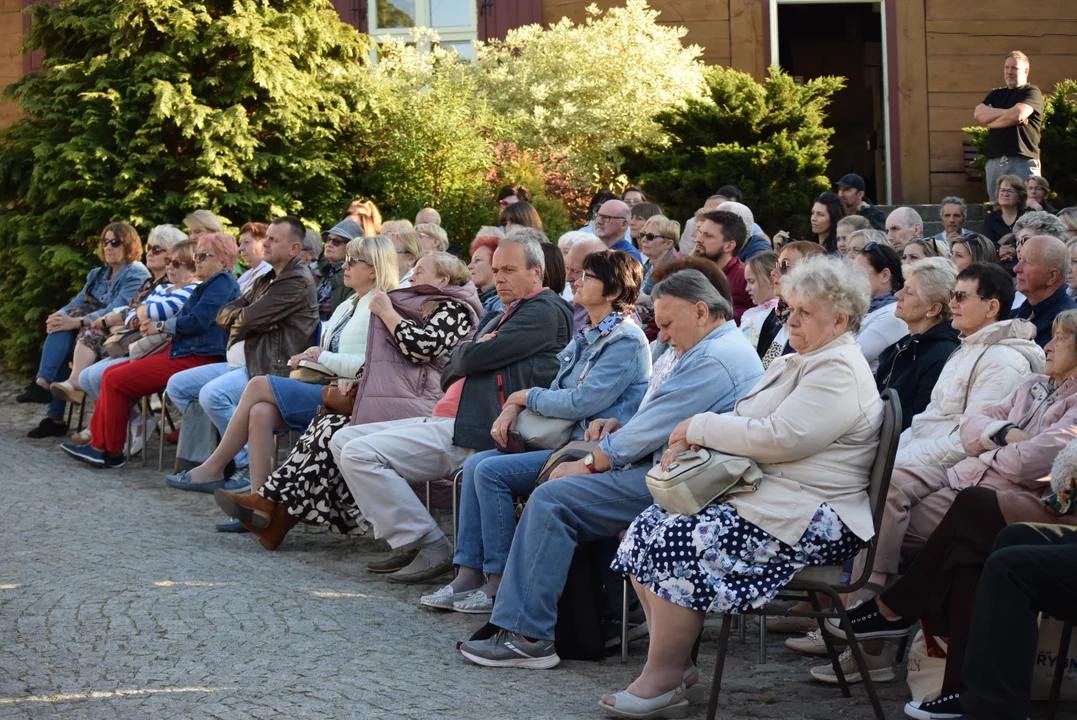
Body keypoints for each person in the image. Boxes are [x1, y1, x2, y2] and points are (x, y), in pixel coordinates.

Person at [597, 256, 881, 715]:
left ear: (840, 320)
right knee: (645, 527)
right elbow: (752, 420)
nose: (791, 319)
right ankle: (672, 667)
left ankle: (665, 676)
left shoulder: (838, 369)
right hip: (776, 497)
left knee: (677, 539)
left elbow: (781, 437)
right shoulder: (805, 359)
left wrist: (697, 427)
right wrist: (696, 435)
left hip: (816, 514)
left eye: (805, 312)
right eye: (790, 308)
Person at [458, 269, 765, 670]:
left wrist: (589, 462)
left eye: (669, 324)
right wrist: (616, 428)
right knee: (529, 482)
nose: (665, 335)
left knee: (553, 498)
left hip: (688, 482)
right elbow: (653, 421)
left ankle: (527, 635)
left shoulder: (713, 356)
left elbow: (649, 431)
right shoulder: (708, 347)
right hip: (673, 470)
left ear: (702, 311)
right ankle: (547, 619)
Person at [829, 312, 1077, 719]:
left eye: (1062, 339)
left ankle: (890, 610)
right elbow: (971, 425)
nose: (1049, 345)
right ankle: (959, 690)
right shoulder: (1033, 384)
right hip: (973, 483)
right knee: (966, 558)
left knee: (974, 508)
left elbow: (1032, 465)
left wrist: (994, 445)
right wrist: (1002, 435)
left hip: (1029, 503)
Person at [332, 233, 574, 584]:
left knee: (358, 453)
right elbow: (453, 368)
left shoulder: (545, 310)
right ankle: (412, 542)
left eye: (509, 269)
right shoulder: (505, 312)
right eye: (496, 270)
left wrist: (471, 354)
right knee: (343, 440)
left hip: (477, 429)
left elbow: (468, 356)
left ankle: (428, 543)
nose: (499, 277)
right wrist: (471, 354)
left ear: (537, 272)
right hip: (449, 416)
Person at [420, 250, 650, 613]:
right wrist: (514, 404)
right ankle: (468, 573)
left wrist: (524, 396)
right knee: (476, 465)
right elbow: (560, 389)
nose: (576, 280)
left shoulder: (625, 340)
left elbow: (582, 402)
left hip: (589, 450)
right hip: (562, 441)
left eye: (587, 277)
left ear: (611, 291)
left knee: (492, 472)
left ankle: (497, 581)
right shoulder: (588, 333)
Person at [214, 253, 483, 549]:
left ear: (443, 279)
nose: (413, 276)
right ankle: (272, 511)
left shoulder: (455, 308)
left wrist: (386, 312)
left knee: (333, 430)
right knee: (327, 423)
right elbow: (390, 360)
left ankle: (270, 508)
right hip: (398, 396)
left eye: (420, 271)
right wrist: (361, 380)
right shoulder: (420, 305)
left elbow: (421, 348)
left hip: (423, 404)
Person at [170, 234, 399, 511]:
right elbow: (330, 351)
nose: (344, 266)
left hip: (354, 395)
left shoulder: (381, 305)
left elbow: (371, 363)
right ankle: (261, 504)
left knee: (257, 385)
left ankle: (214, 467)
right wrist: (312, 355)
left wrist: (322, 355)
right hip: (329, 386)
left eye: (352, 260)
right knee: (260, 413)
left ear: (374, 269)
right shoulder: (348, 305)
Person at [869, 263, 1046, 591]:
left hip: (962, 466)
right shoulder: (968, 348)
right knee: (863, 485)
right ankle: (847, 605)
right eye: (953, 296)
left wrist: (900, 458)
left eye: (962, 297)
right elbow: (930, 420)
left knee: (882, 489)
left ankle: (868, 601)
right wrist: (894, 451)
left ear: (992, 306)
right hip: (933, 453)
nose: (953, 304)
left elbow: (972, 440)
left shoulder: (1003, 361)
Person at [59, 233, 242, 467]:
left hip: (198, 357)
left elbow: (198, 320)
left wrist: (160, 325)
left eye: (203, 255)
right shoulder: (210, 284)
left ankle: (109, 453)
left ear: (224, 259)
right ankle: (101, 447)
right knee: (110, 376)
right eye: (196, 255)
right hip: (184, 352)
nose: (197, 260)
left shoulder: (222, 282)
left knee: (115, 380)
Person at [164, 219, 319, 491]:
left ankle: (243, 465)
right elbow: (225, 313)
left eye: (273, 239)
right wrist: (247, 319)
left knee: (214, 394)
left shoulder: (295, 280)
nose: (265, 243)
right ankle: (216, 461)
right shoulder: (267, 277)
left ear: (294, 248)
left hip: (275, 367)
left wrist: (247, 319)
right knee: (179, 384)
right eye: (266, 237)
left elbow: (245, 319)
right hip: (248, 361)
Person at [21, 222, 152, 439]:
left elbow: (115, 309)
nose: (109, 247)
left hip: (113, 333)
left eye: (115, 242)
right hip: (88, 330)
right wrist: (58, 317)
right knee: (60, 329)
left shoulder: (136, 273)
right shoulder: (97, 274)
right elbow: (77, 301)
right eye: (105, 242)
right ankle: (51, 409)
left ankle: (48, 397)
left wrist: (76, 322)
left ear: (128, 244)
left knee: (69, 332)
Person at [50, 225, 188, 408]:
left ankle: (124, 419)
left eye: (157, 249)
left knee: (93, 353)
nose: (150, 253)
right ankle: (56, 394)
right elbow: (132, 311)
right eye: (149, 248)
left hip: (146, 343)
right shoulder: (149, 282)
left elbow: (138, 313)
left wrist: (106, 320)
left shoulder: (171, 284)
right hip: (129, 337)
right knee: (73, 338)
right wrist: (61, 316)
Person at [876, 258, 961, 430]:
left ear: (933, 309)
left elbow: (917, 422)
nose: (897, 295)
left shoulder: (941, 356)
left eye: (909, 292)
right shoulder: (908, 342)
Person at [974, 51, 1043, 203]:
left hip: (1023, 161)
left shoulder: (1031, 92)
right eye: (1007, 68)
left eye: (1014, 68)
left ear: (1026, 71)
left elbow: (1017, 115)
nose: (1009, 72)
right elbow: (979, 114)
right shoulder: (995, 94)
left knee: (1027, 208)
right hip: (995, 162)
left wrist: (992, 120)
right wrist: (1007, 114)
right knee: (997, 207)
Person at [756, 241, 828, 365]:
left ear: (811, 273)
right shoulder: (776, 315)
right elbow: (762, 366)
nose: (773, 273)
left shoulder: (817, 323)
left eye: (784, 266)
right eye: (776, 265)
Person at [1010, 234, 1076, 347]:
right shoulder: (1029, 306)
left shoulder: (1063, 324)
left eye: (1028, 262)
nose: (1016, 268)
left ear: (1052, 276)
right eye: (1020, 259)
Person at [854, 242, 909, 372]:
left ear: (884, 275)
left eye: (859, 274)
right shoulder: (865, 308)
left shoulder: (893, 315)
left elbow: (852, 359)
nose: (852, 280)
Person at [690, 209, 752, 322]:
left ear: (729, 246)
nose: (698, 240)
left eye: (708, 236)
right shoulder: (691, 271)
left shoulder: (746, 278)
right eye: (700, 232)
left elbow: (758, 321)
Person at [316, 219, 361, 321]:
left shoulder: (354, 276)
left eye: (336, 242)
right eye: (327, 239)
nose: (329, 244)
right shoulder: (327, 271)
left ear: (351, 248)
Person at [563, 237, 610, 332]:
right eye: (567, 269)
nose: (567, 278)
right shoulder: (570, 308)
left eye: (576, 271)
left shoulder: (617, 323)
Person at [636, 215, 680, 306]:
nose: (643, 240)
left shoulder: (675, 271)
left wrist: (646, 300)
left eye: (650, 236)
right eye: (643, 235)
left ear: (668, 244)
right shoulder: (649, 264)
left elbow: (671, 304)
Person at [739, 251, 779, 349]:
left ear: (771, 280)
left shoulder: (782, 316)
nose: (747, 288)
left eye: (751, 281)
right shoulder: (750, 313)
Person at [592, 199, 644, 263]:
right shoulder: (592, 250)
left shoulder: (628, 256)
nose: (598, 221)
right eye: (597, 216)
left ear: (624, 224)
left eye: (606, 217)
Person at [468, 227, 504, 314]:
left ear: (496, 264)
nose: (469, 266)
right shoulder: (471, 297)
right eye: (472, 261)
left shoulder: (502, 303)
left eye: (478, 260)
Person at [983, 175, 1028, 245]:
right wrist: (999, 250)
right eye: (1002, 190)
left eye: (1010, 191)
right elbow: (988, 246)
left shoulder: (1027, 218)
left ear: (1020, 197)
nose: (1005, 194)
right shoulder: (990, 219)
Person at [237, 222, 271, 295]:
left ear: (263, 244)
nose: (240, 248)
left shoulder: (269, 272)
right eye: (240, 243)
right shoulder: (247, 274)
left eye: (246, 242)